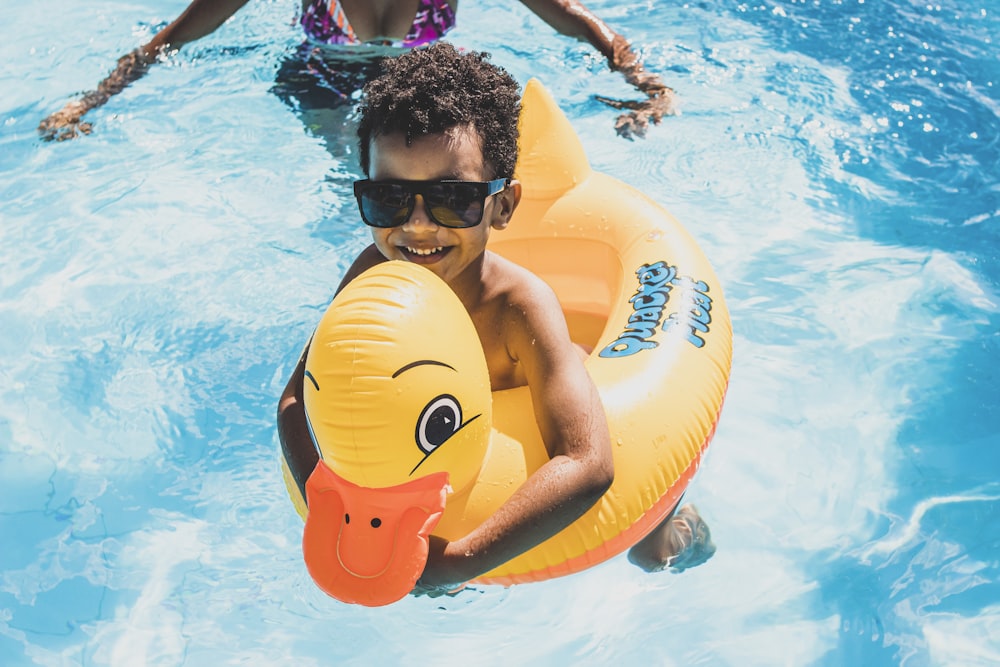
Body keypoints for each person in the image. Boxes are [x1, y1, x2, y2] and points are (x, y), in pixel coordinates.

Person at [275, 42, 711, 596]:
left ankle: (683, 522)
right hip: (448, 444)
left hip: (593, 409)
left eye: (452, 199)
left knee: (651, 556)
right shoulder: (371, 274)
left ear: (502, 207)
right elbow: (296, 400)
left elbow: (588, 463)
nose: (417, 227)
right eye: (388, 197)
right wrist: (327, 501)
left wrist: (454, 564)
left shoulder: (519, 308)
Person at [38, 0, 676, 143]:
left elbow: (575, 21)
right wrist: (88, 102)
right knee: (367, 176)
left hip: (423, 72)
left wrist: (648, 86)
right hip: (319, 77)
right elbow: (174, 38)